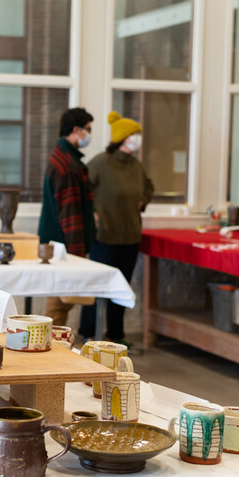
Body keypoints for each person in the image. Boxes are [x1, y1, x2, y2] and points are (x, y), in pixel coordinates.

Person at [78, 112, 154, 346]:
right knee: (97, 288)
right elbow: (81, 188)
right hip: (105, 237)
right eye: (134, 134)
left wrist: (142, 200)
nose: (137, 139)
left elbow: (148, 187)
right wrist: (91, 214)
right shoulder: (101, 163)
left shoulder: (136, 166)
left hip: (130, 236)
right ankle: (87, 334)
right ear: (122, 137)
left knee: (121, 290)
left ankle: (116, 335)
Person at [38, 107, 97, 328]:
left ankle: (51, 344)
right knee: (59, 303)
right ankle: (49, 347)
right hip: (64, 245)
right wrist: (78, 256)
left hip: (57, 243)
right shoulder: (68, 165)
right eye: (88, 130)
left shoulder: (62, 157)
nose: (90, 135)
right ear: (76, 130)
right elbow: (70, 214)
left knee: (60, 301)